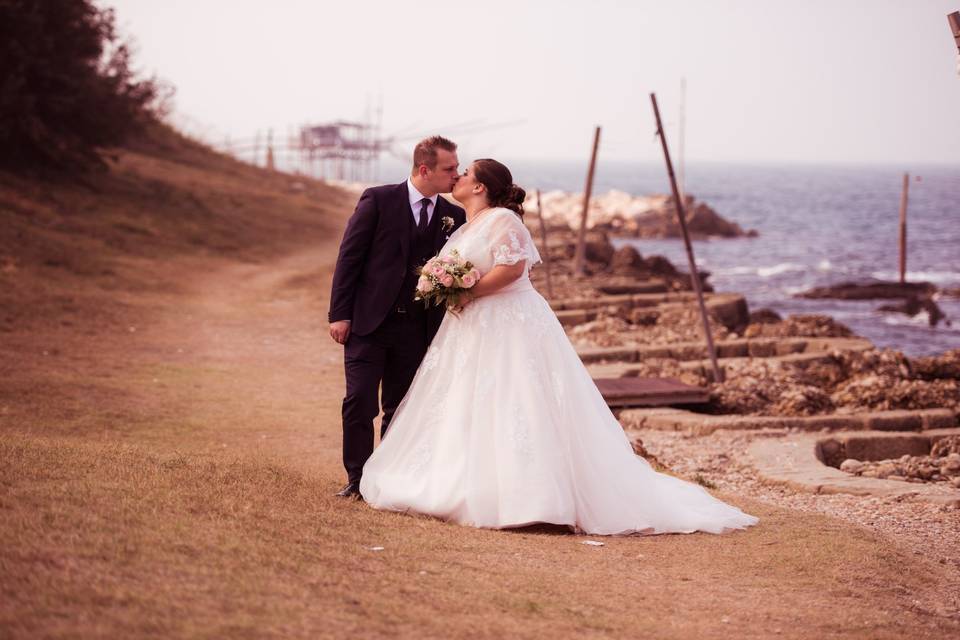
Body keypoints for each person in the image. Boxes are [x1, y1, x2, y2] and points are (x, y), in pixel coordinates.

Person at [359, 158, 758, 535]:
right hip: (474, 326)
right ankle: (467, 481)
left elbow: (513, 268)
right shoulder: (466, 226)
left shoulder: (502, 219)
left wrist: (467, 292)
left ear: (479, 186)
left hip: (510, 320)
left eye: (465, 173)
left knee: (519, 396)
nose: (457, 177)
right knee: (472, 399)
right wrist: (448, 289)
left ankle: (535, 498)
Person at [328, 136, 466, 498]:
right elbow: (349, 259)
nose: (457, 174)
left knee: (400, 407)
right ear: (425, 169)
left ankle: (385, 480)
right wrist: (340, 314)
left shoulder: (456, 216)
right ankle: (356, 479)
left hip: (419, 328)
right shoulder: (378, 199)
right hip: (369, 322)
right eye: (449, 168)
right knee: (358, 401)